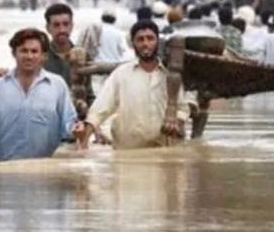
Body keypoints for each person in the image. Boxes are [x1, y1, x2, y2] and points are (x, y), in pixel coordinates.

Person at [74, 20, 188, 149]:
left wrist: (176, 122)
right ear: (133, 44)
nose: (146, 44)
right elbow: (100, 108)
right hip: (127, 154)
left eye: (150, 39)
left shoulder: (171, 76)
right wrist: (84, 141)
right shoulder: (121, 74)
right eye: (140, 39)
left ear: (157, 42)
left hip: (163, 152)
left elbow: (183, 108)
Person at [0, 28, 77, 161]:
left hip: (45, 172)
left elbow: (69, 126)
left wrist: (84, 128)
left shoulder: (57, 85)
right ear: (14, 53)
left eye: (34, 51)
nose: (29, 56)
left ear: (44, 56)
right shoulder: (0, 86)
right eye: (24, 50)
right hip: (5, 170)